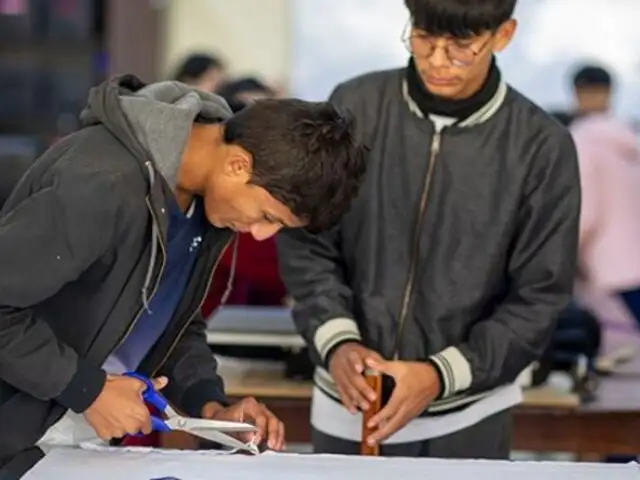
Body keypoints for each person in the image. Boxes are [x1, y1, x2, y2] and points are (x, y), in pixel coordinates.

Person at [0, 73, 367, 477]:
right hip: (17, 436)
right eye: (266, 216)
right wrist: (86, 388)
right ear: (238, 164)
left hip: (71, 441)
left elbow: (165, 316)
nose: (262, 234)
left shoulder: (201, 203)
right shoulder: (102, 182)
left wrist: (209, 405)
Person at [277, 0, 580, 459]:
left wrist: (439, 375)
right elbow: (306, 239)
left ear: (503, 35)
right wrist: (337, 340)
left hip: (469, 410)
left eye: (461, 46)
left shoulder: (541, 147)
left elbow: (539, 295)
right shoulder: (353, 108)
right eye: (423, 38)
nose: (437, 60)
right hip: (347, 401)